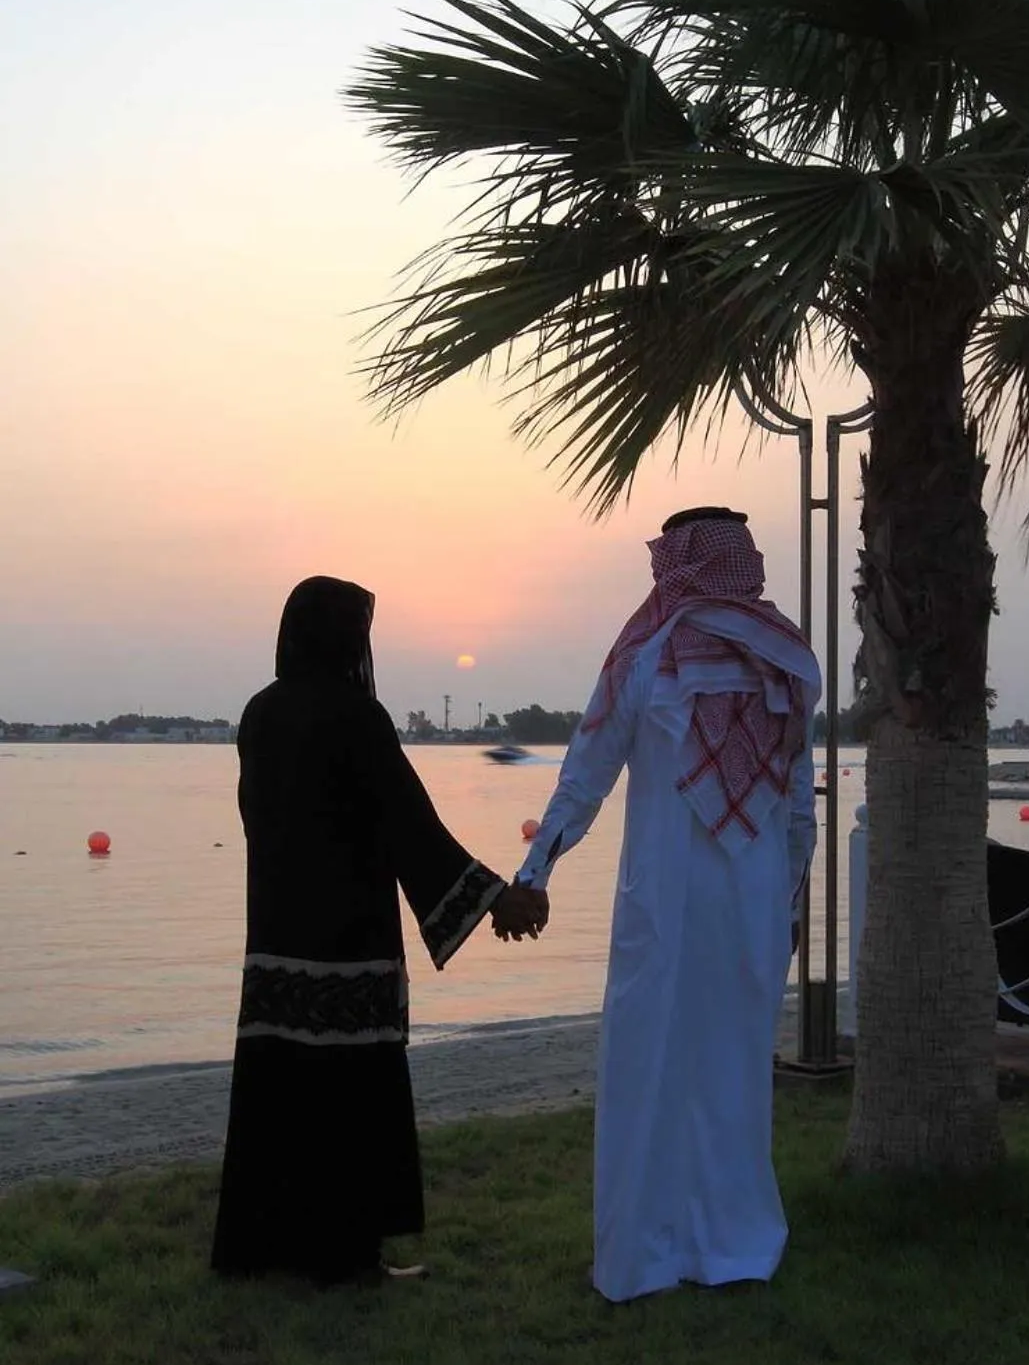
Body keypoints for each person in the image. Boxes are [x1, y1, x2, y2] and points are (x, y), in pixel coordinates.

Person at [516, 507, 819, 1302]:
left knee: (691, 1072)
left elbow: (586, 772)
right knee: (707, 1071)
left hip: (672, 905)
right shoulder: (786, 659)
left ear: (675, 562)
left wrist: (536, 866)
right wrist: (788, 901)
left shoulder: (646, 653)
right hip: (741, 906)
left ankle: (674, 1251)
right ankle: (710, 1247)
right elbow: (796, 814)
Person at [212, 576, 548, 1284]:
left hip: (276, 935)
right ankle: (346, 1256)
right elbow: (410, 828)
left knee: (282, 1087)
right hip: (347, 937)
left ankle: (267, 1246)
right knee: (348, 1092)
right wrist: (496, 901)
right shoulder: (357, 717)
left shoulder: (259, 713)